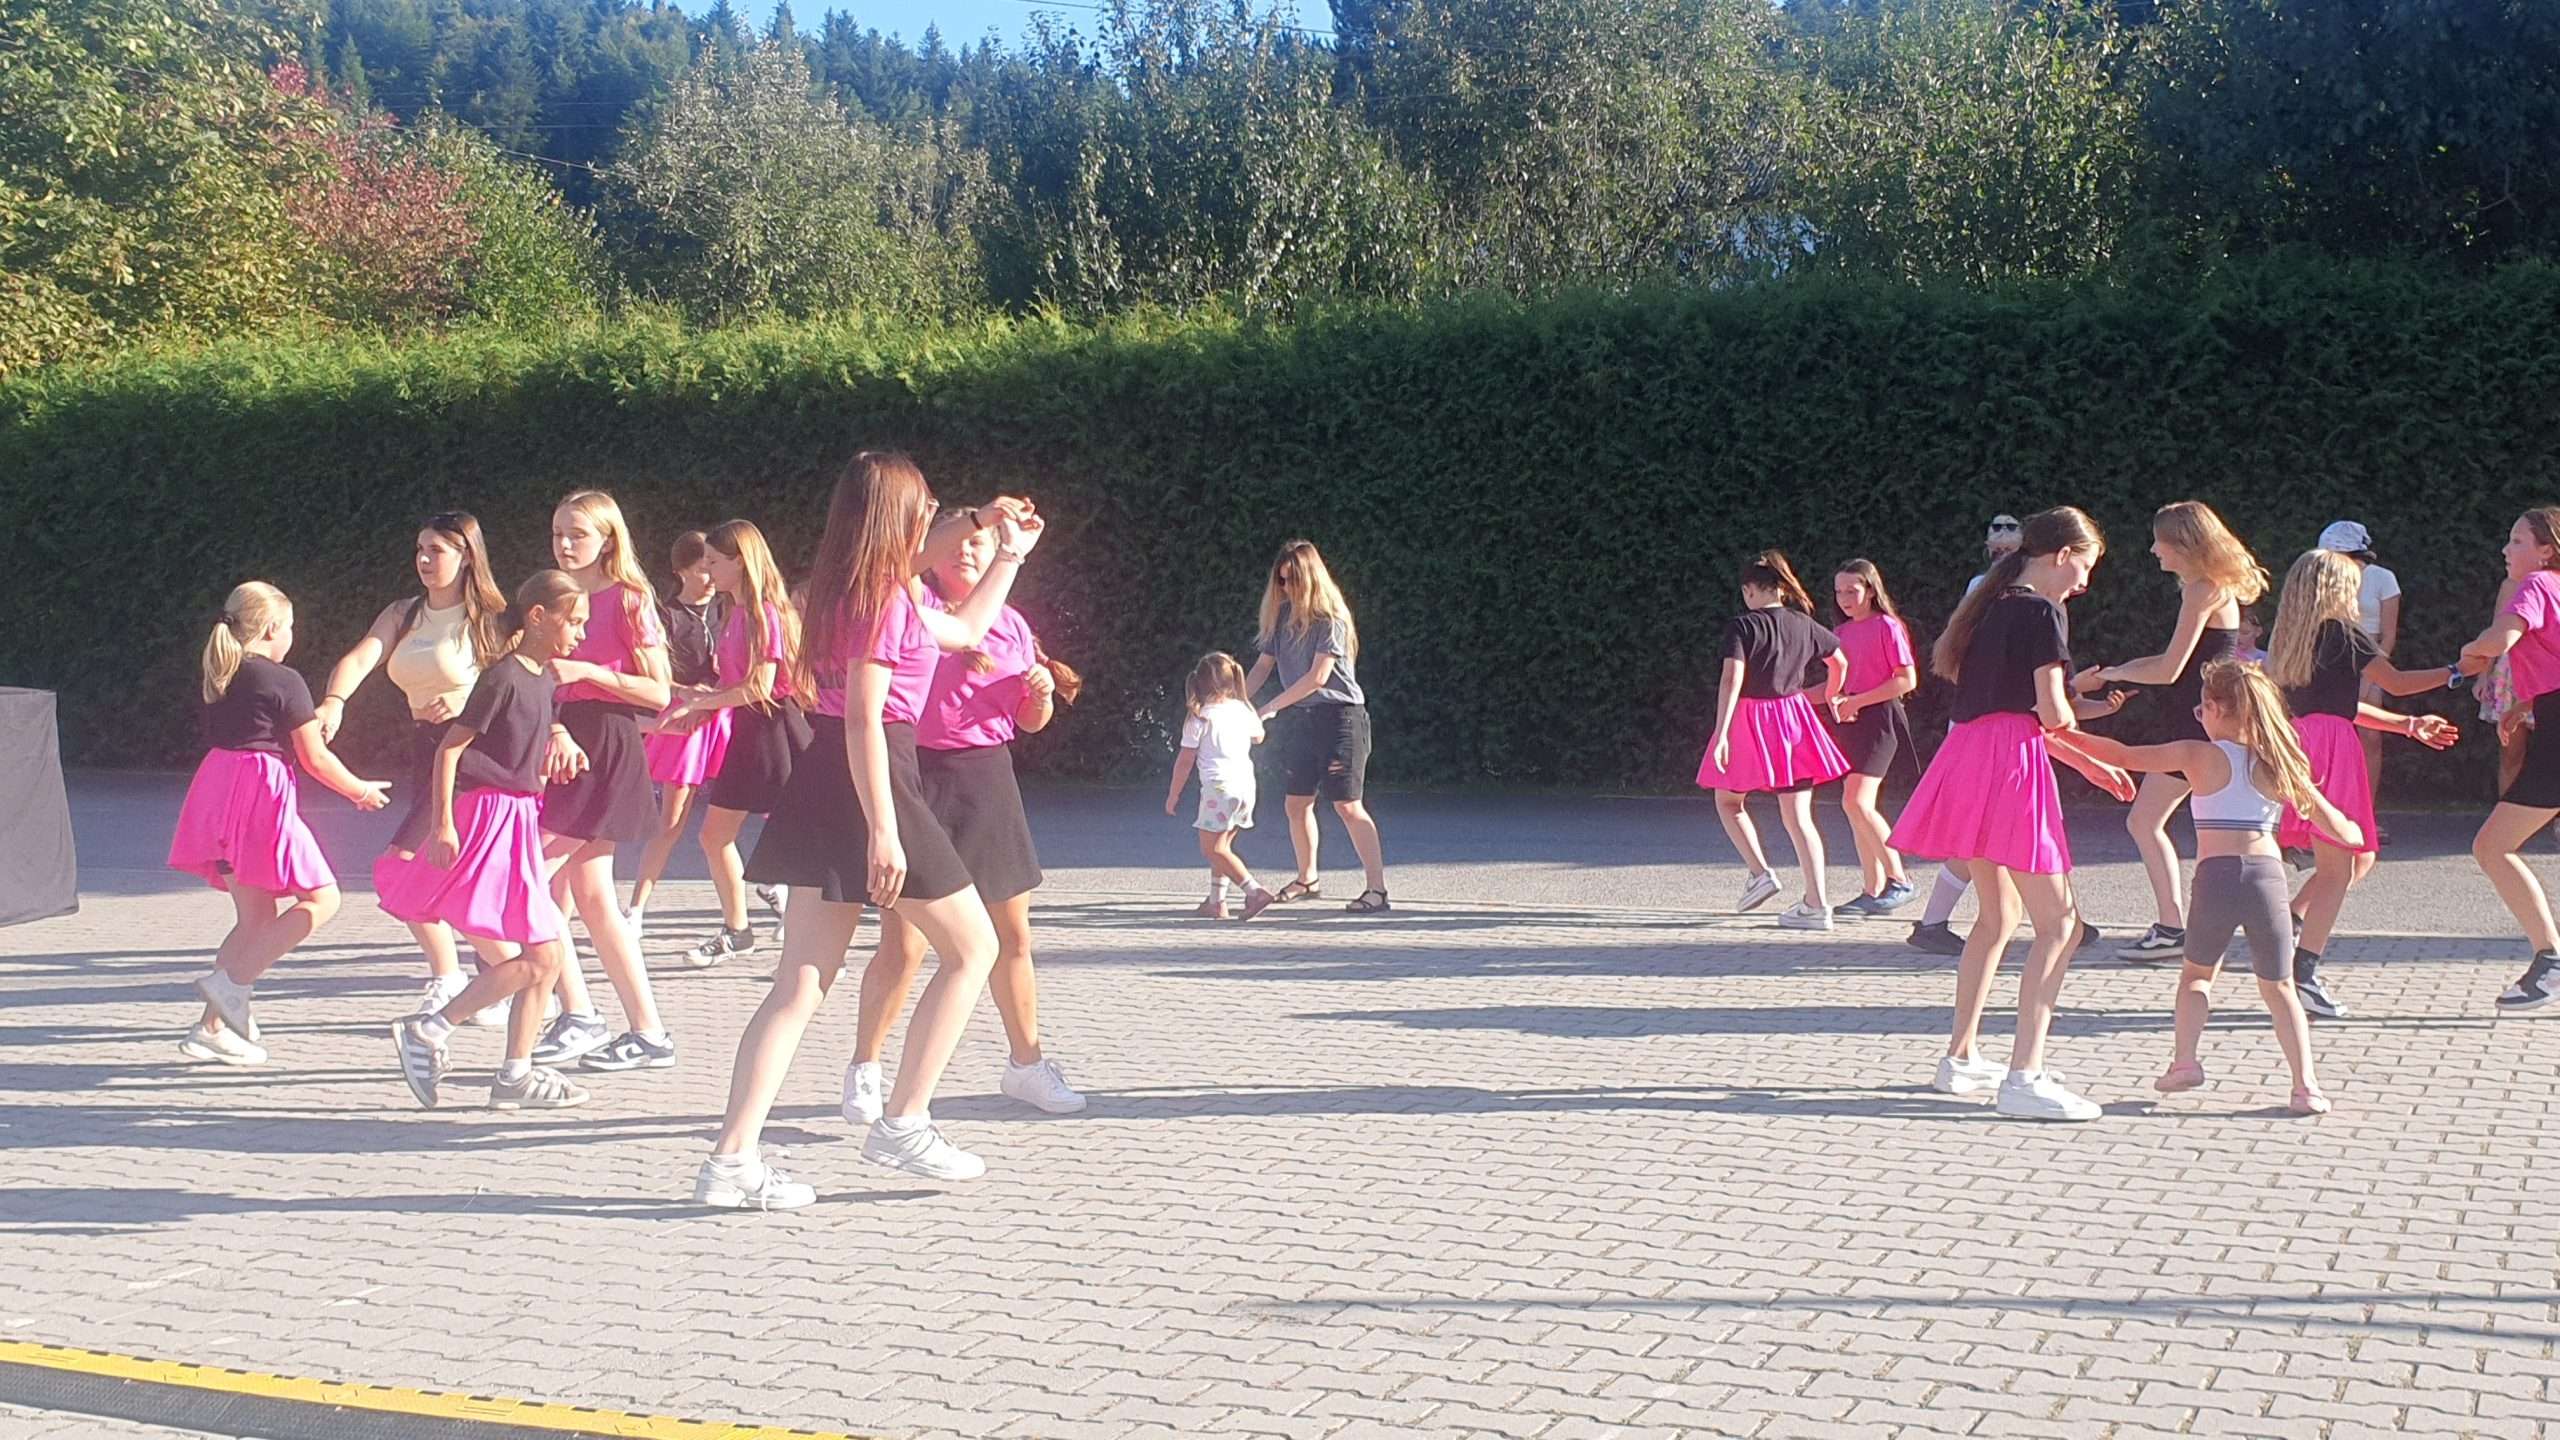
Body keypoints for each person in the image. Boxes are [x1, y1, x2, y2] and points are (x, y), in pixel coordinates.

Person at [696, 457, 1042, 1209]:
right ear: (899, 517)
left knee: (799, 984)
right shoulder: (885, 598)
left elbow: (968, 628)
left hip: (830, 778)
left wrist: (1003, 545)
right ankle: (905, 1122)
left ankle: (730, 1163)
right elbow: (863, 717)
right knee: (974, 948)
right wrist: (883, 829)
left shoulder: (860, 587)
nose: (938, 520)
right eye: (927, 508)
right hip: (872, 775)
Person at [1890, 507, 2136, 1123]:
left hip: (1971, 760)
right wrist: (2095, 750)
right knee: (2061, 926)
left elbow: (2010, 714)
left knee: (1997, 917)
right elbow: (2051, 713)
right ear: (2062, 555)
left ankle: (1961, 1057)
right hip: (2009, 769)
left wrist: (2085, 763)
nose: (2084, 582)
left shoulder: (1990, 608)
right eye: (2085, 566)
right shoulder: (2042, 612)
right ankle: (2025, 1076)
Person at [843, 518, 1088, 1124]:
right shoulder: (913, 611)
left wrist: (1040, 697)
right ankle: (866, 1066)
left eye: (977, 543)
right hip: (914, 774)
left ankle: (1027, 1064)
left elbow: (1028, 722)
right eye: (955, 544)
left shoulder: (1012, 623)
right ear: (930, 555)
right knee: (903, 942)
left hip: (986, 778)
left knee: (1013, 935)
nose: (967, 552)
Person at [2067, 661, 2360, 1114]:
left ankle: (2185, 1062)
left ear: (2216, 709)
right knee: (2280, 986)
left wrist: (2061, 734)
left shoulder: (2196, 755)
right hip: (2266, 879)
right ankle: (2306, 1086)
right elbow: (2340, 828)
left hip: (2216, 877)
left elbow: (2123, 755)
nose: (2199, 716)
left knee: (2197, 977)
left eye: (2201, 709)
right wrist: (2355, 832)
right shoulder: (2279, 763)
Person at [385, 571, 595, 1110]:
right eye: (573, 621)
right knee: (543, 953)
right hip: (490, 819)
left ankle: (511, 1073)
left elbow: (528, 741)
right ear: (538, 617)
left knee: (545, 954)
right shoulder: (502, 677)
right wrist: (443, 824)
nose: (580, 633)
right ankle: (433, 1032)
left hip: (519, 817)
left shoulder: (544, 679)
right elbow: (449, 750)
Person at [171, 582, 391, 1066]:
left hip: (217, 790)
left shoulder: (222, 671)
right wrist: (359, 790)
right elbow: (314, 757)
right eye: (289, 627)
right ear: (273, 628)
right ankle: (230, 988)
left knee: (255, 918)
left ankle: (213, 1026)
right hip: (260, 794)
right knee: (323, 898)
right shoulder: (283, 680)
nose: (292, 635)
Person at [313, 512, 509, 1025]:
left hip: (473, 758)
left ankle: (482, 977)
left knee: (401, 867)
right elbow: (360, 659)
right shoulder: (403, 613)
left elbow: (521, 689)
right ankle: (504, 978)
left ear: (466, 556)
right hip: (427, 752)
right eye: (420, 548)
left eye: (436, 550)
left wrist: (467, 708)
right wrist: (334, 702)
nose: (423, 559)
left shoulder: (492, 619)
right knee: (443, 873)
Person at [2264, 549, 2460, 1019]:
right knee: (2342, 864)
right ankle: (2302, 972)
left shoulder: (2289, 637)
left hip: (2300, 741)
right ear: (2337, 587)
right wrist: (2456, 673)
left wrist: (2407, 726)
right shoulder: (2343, 632)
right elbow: (2396, 681)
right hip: (2333, 748)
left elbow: (2338, 706)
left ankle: (2291, 923)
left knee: (2357, 857)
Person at [2074, 501, 2266, 962]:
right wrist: (2117, 671)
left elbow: (2169, 669)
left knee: (2145, 821)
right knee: (2216, 826)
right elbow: (2173, 661)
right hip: (2209, 717)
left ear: (2184, 543)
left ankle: (2173, 927)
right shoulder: (2211, 587)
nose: (2154, 549)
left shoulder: (2202, 589)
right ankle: (2228, 923)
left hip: (2198, 721)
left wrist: (2115, 673)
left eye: (2160, 541)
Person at [532, 490, 678, 1074]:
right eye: (558, 533)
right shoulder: (553, 597)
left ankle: (582, 1013)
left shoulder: (629, 598)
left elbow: (660, 692)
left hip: (606, 745)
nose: (565, 544)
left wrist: (590, 672)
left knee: (533, 877)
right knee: (590, 897)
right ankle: (638, 1029)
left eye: (578, 534)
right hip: (563, 745)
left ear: (607, 539)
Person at [676, 519, 809, 967]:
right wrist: (698, 700)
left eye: (715, 562)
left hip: (776, 732)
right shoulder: (733, 613)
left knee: (796, 842)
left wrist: (707, 701)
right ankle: (738, 931)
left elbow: (761, 687)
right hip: (748, 732)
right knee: (714, 836)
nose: (708, 571)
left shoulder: (765, 613)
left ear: (741, 562)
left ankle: (812, 946)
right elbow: (733, 683)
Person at [1696, 550, 1851, 930]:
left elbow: (1731, 679)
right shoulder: (1803, 623)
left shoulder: (1743, 625)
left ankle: (1760, 872)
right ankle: (1817, 905)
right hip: (1794, 720)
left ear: (1749, 589)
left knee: (1728, 800)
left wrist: (1721, 732)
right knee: (1800, 817)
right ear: (1781, 588)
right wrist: (1831, 694)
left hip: (1750, 720)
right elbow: (1840, 661)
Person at [1246, 541, 1390, 913]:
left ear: (1310, 578)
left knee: (1348, 805)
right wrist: (1235, 702)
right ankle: (1307, 879)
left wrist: (1269, 708)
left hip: (1341, 718)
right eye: (1281, 581)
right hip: (1304, 719)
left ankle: (1377, 890)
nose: (1286, 588)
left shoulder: (1330, 619)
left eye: (1292, 580)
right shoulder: (1281, 618)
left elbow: (1318, 678)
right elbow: (1262, 667)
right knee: (1296, 803)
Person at [2457, 508, 2560, 1011]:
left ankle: (2551, 960)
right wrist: (2526, 704)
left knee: (2492, 846)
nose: (2506, 549)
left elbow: (2501, 639)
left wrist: (2469, 652)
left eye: (2517, 541)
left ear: (2546, 551)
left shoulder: (2536, 584)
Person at [627, 531, 731, 940]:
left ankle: (769, 887)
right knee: (671, 820)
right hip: (686, 721)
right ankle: (636, 907)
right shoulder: (665, 617)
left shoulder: (729, 608)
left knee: (749, 805)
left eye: (713, 566)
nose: (710, 575)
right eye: (702, 568)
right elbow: (654, 676)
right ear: (680, 571)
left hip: (727, 715)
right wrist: (687, 696)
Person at [1826, 559, 1919, 917]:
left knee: (1856, 801)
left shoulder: (1887, 626)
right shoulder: (1841, 632)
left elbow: (1906, 680)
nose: (1845, 598)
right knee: (1855, 806)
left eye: (1852, 590)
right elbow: (1836, 686)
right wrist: (1795, 697)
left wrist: (1857, 701)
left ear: (1870, 590)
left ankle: (1900, 880)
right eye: (1839, 591)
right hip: (1852, 722)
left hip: (1881, 720)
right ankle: (1872, 889)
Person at [1167, 652, 1273, 921]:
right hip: (1245, 787)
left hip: (1219, 788)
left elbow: (1185, 760)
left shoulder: (1200, 717)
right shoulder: (1243, 709)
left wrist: (1173, 794)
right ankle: (1216, 901)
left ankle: (1255, 891)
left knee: (1212, 849)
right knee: (1223, 846)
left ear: (1198, 682)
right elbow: (1259, 736)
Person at [2321, 521, 2402, 843]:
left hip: (2369, 659)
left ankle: (2365, 813)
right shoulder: (2322, 577)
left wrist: (2372, 672)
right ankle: (2326, 815)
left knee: (2370, 736)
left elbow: (2389, 632)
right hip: (2333, 659)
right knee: (2327, 734)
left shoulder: (2383, 578)